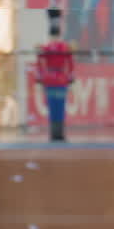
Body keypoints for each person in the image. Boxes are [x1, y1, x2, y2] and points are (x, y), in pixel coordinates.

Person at [36, 9, 75, 142]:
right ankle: (58, 134)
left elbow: (39, 63)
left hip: (50, 79)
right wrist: (70, 77)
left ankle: (54, 134)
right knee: (59, 107)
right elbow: (70, 64)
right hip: (60, 79)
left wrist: (41, 77)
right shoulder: (64, 47)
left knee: (53, 108)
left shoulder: (46, 47)